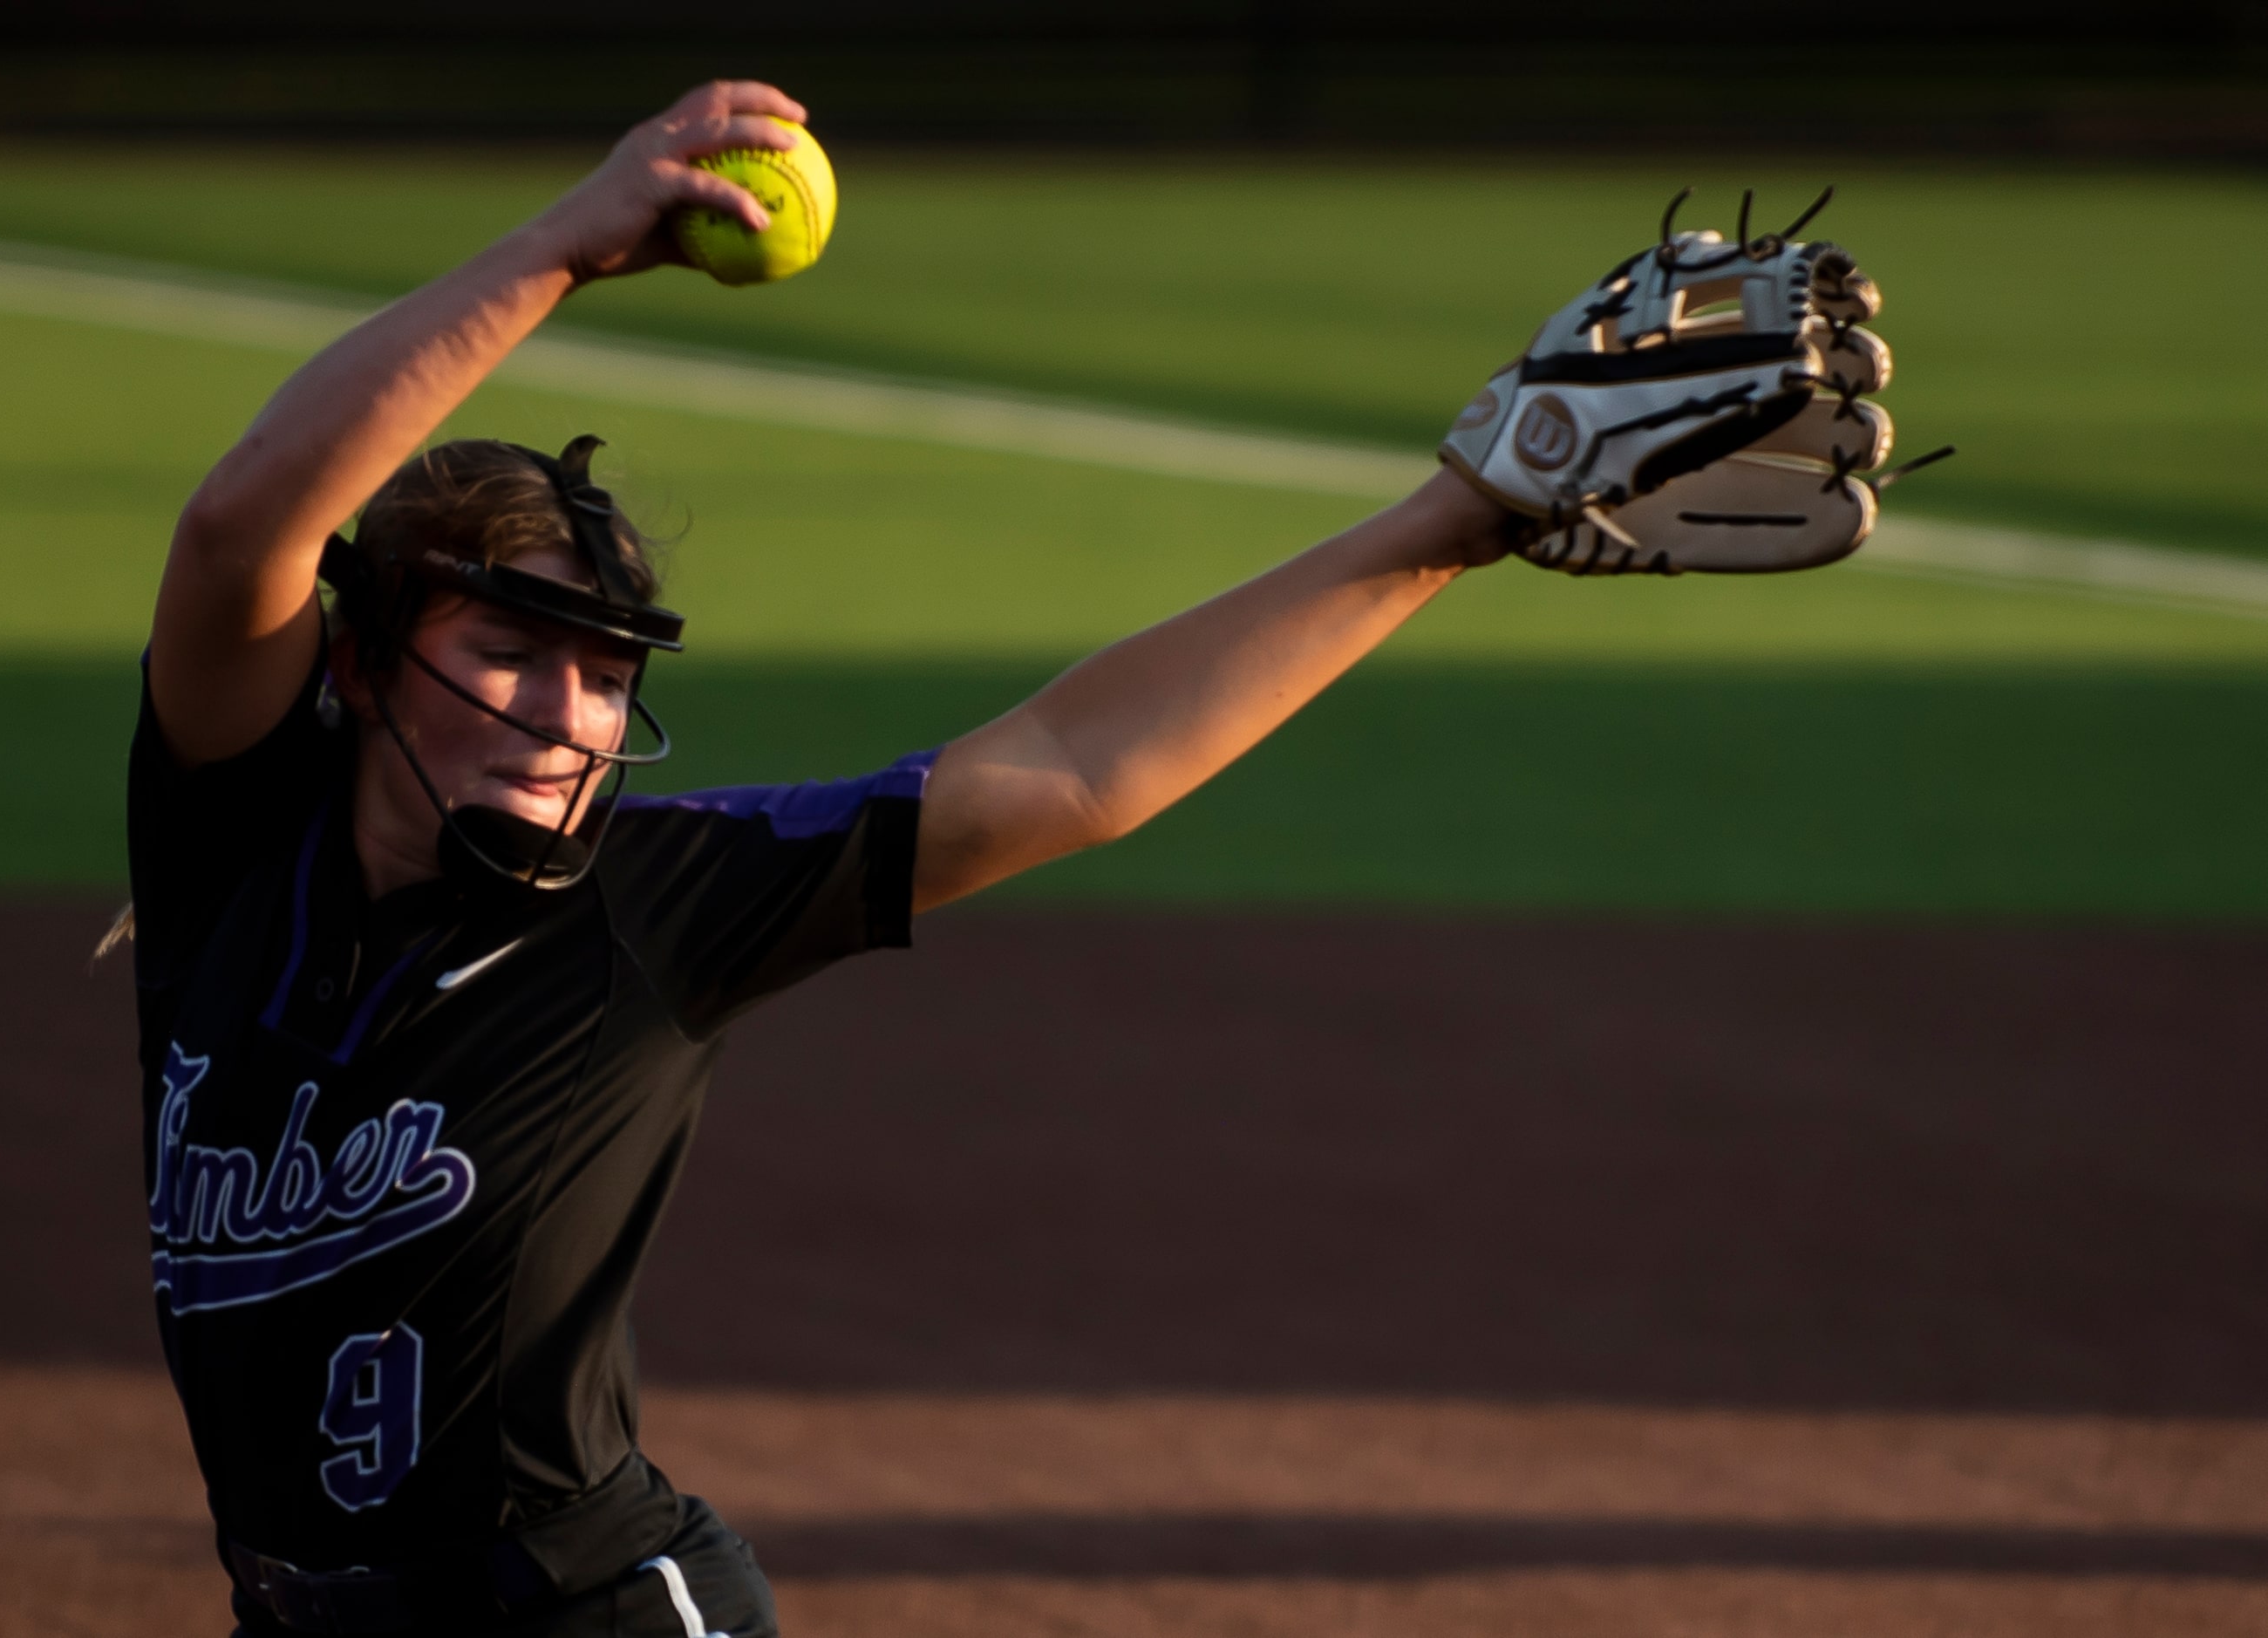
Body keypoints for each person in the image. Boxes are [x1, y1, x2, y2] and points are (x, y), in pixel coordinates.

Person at [129, 77, 1512, 1638]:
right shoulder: (234, 842)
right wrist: (562, 250)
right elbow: (239, 533)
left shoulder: (647, 902)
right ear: (365, 663)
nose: (567, 709)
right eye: (512, 646)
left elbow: (1067, 767)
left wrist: (1445, 527)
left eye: (605, 672)